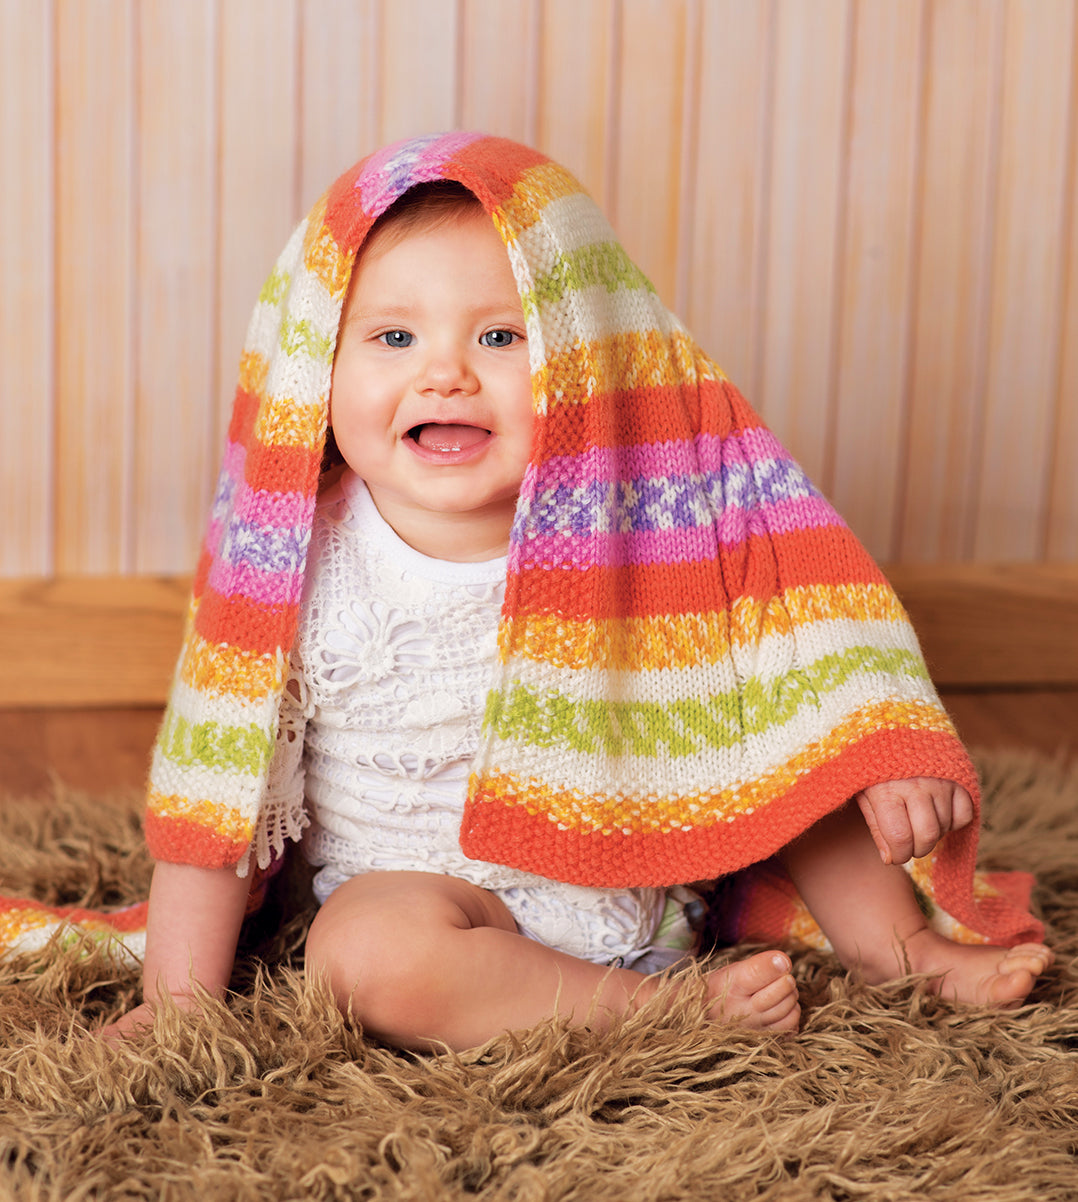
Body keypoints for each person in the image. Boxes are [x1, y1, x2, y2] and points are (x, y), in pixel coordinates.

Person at [104, 133, 1051, 1051]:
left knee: (801, 740)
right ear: (317, 368)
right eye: (393, 335)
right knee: (359, 956)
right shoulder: (288, 562)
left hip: (656, 858)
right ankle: (658, 1011)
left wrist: (888, 744)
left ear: (589, 356)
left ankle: (905, 950)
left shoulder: (655, 511)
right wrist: (177, 1006)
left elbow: (811, 626)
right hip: (437, 903)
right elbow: (215, 793)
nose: (445, 371)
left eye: (502, 335)